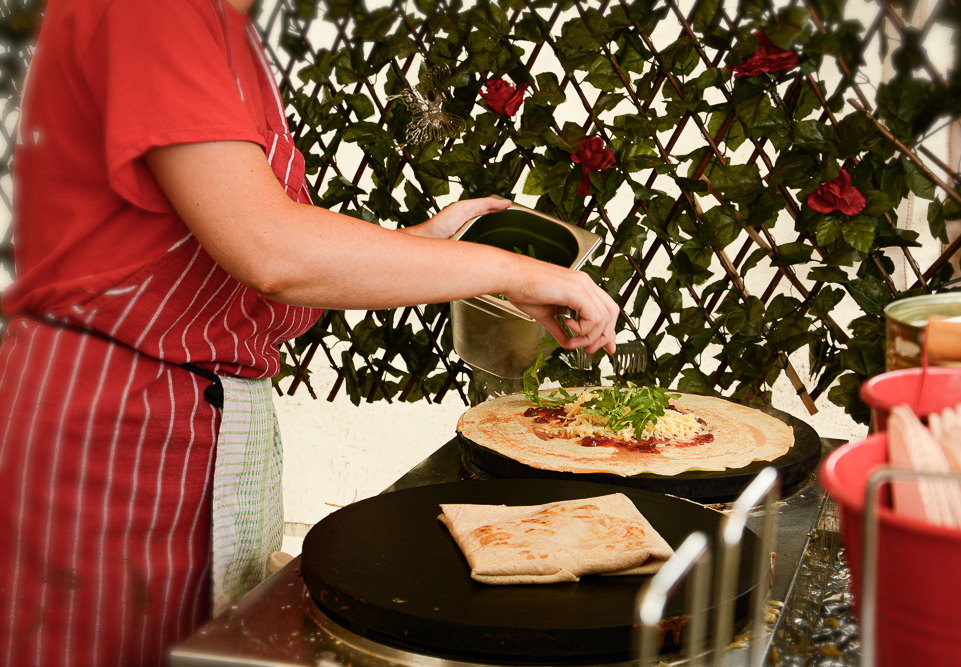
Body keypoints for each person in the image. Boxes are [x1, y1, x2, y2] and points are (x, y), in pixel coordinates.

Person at [0, 0, 619, 665]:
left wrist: (422, 245)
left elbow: (258, 265)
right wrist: (512, 272)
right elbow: (273, 253)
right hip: (109, 443)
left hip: (184, 433)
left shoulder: (223, 33)